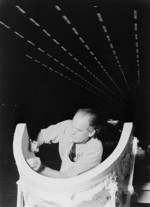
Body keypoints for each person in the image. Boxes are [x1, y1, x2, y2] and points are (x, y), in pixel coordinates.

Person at [27, 108, 103, 178]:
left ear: (91, 133)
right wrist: (37, 143)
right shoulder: (68, 126)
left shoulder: (94, 149)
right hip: (63, 175)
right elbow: (44, 135)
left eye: (79, 130)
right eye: (73, 126)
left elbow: (68, 177)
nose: (72, 132)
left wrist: (41, 169)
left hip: (83, 184)